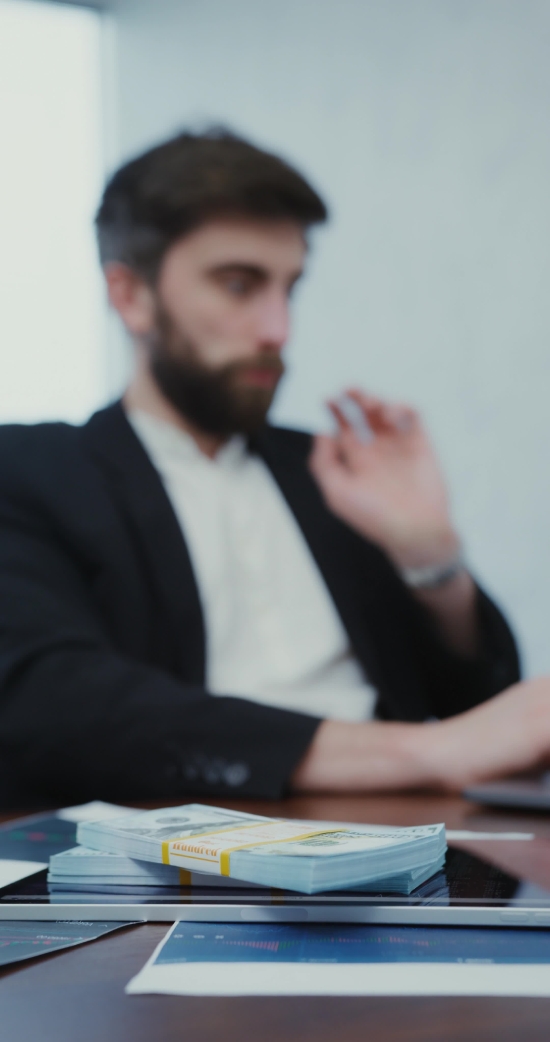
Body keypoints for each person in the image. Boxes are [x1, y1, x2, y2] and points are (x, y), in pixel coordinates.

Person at [0, 127, 531, 808]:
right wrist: (424, 752)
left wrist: (430, 556)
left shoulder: (332, 473)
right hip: (188, 843)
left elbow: (482, 709)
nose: (278, 329)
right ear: (130, 295)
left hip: (417, 832)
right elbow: (57, 705)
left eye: (290, 289)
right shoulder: (33, 473)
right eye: (238, 285)